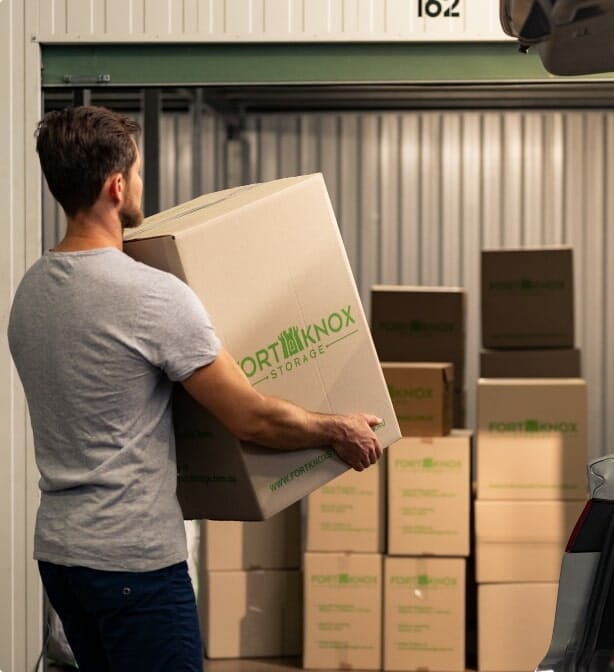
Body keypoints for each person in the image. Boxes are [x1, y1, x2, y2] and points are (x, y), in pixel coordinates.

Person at [6, 105, 383, 672]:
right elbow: (250, 418)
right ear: (115, 186)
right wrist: (337, 429)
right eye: (135, 174)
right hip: (133, 563)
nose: (140, 184)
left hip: (62, 557)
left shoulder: (30, 293)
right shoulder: (150, 296)